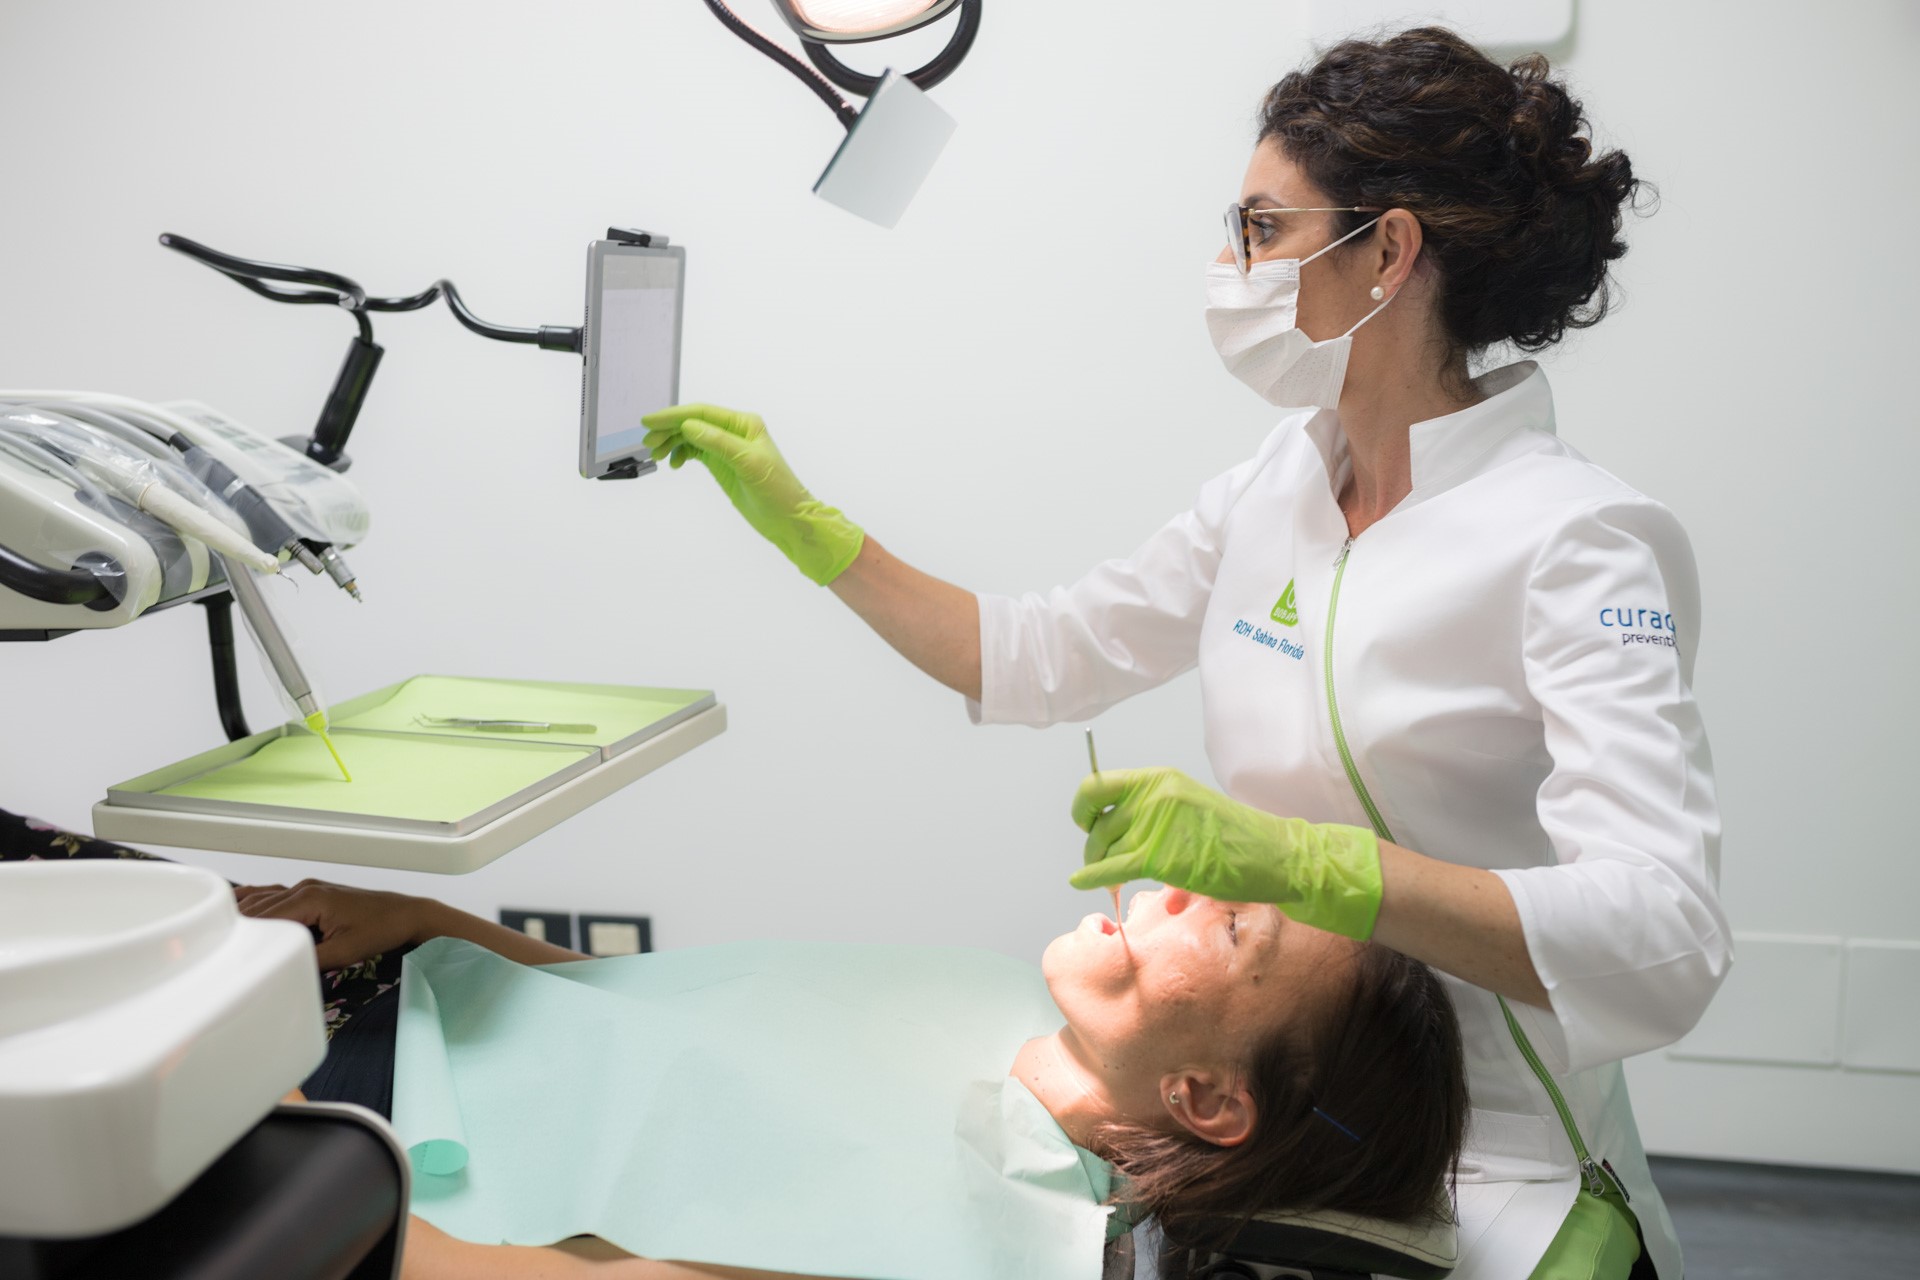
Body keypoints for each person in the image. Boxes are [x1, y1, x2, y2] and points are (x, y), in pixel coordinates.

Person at [640, 26, 1728, 1280]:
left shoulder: (1575, 540)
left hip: (1499, 1169)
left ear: (1387, 252)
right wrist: (818, 535)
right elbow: (1041, 655)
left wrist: (1320, 866)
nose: (1232, 263)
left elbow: (1665, 935)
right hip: (1278, 1141)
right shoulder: (1286, 478)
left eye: (1264, 228)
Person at [227, 877, 1467, 1280]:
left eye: (1235, 929)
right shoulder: (996, 1003)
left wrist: (265, 1131)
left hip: (330, 1134)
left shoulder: (971, 1239)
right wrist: (425, 917)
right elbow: (674, 1020)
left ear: (1204, 1098)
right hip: (388, 992)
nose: (1186, 887)